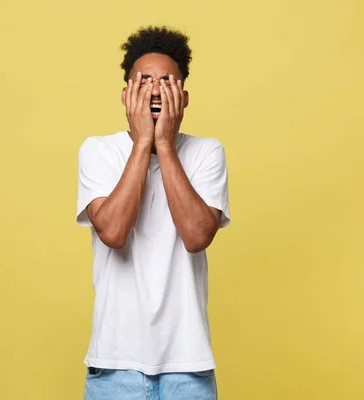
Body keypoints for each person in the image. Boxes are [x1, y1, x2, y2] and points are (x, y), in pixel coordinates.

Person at [76, 25, 230, 400]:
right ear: (127, 94)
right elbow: (113, 233)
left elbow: (196, 237)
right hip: (114, 366)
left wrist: (165, 143)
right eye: (144, 81)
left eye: (167, 81)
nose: (156, 90)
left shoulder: (206, 153)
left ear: (185, 96)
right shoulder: (98, 151)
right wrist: (144, 142)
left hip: (187, 369)